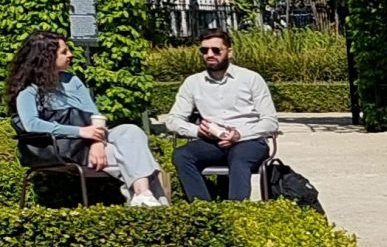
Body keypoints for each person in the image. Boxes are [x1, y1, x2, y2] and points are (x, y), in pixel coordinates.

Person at [8, 32, 168, 204]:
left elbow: (94, 115)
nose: (70, 55)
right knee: (139, 161)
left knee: (131, 131)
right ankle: (151, 205)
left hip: (91, 140)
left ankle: (142, 197)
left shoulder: (72, 80)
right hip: (64, 147)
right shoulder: (29, 90)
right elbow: (32, 124)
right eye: (64, 52)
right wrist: (81, 132)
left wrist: (97, 143)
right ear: (46, 57)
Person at [164, 32, 280, 200]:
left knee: (239, 157)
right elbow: (172, 120)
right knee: (182, 155)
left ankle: (235, 212)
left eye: (216, 50)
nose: (209, 54)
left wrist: (240, 134)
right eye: (204, 50)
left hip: (249, 141)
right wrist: (198, 131)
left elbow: (271, 122)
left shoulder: (251, 79)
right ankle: (203, 210)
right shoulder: (192, 83)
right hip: (212, 142)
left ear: (229, 52)